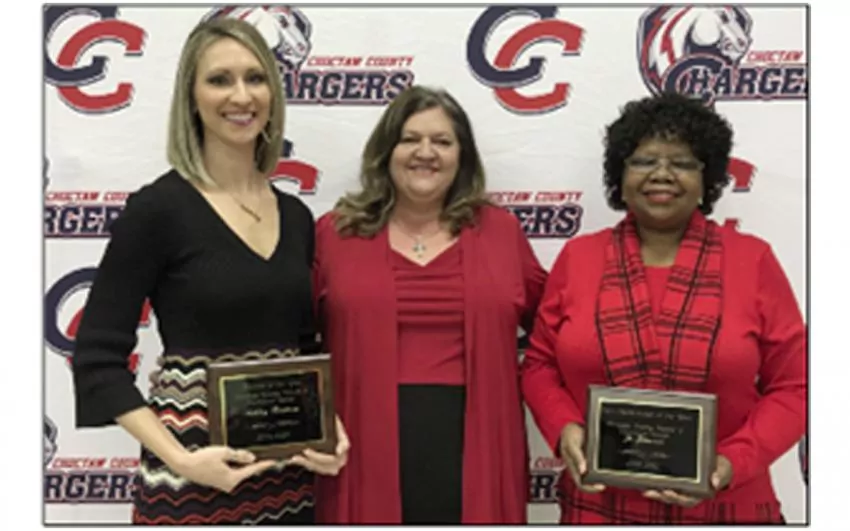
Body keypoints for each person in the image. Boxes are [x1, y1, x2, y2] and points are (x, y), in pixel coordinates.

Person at [71, 18, 348, 525]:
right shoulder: (157, 210)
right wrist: (180, 459)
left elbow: (303, 346)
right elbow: (96, 359)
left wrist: (329, 425)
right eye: (220, 79)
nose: (241, 95)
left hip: (287, 481)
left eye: (255, 78)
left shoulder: (296, 217)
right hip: (191, 482)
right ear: (191, 98)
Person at [520, 92, 807, 524]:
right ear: (620, 175)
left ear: (707, 177)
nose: (662, 174)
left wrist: (731, 462)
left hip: (726, 507)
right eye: (643, 161)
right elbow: (539, 365)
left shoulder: (753, 260)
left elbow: (797, 386)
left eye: (682, 162)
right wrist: (564, 428)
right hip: (598, 508)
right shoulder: (579, 258)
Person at [312, 85, 547, 524]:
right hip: (360, 450)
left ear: (462, 156)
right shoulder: (336, 233)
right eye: (410, 139)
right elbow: (290, 336)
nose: (426, 153)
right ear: (386, 151)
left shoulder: (501, 233)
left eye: (442, 141)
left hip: (479, 449)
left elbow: (555, 335)